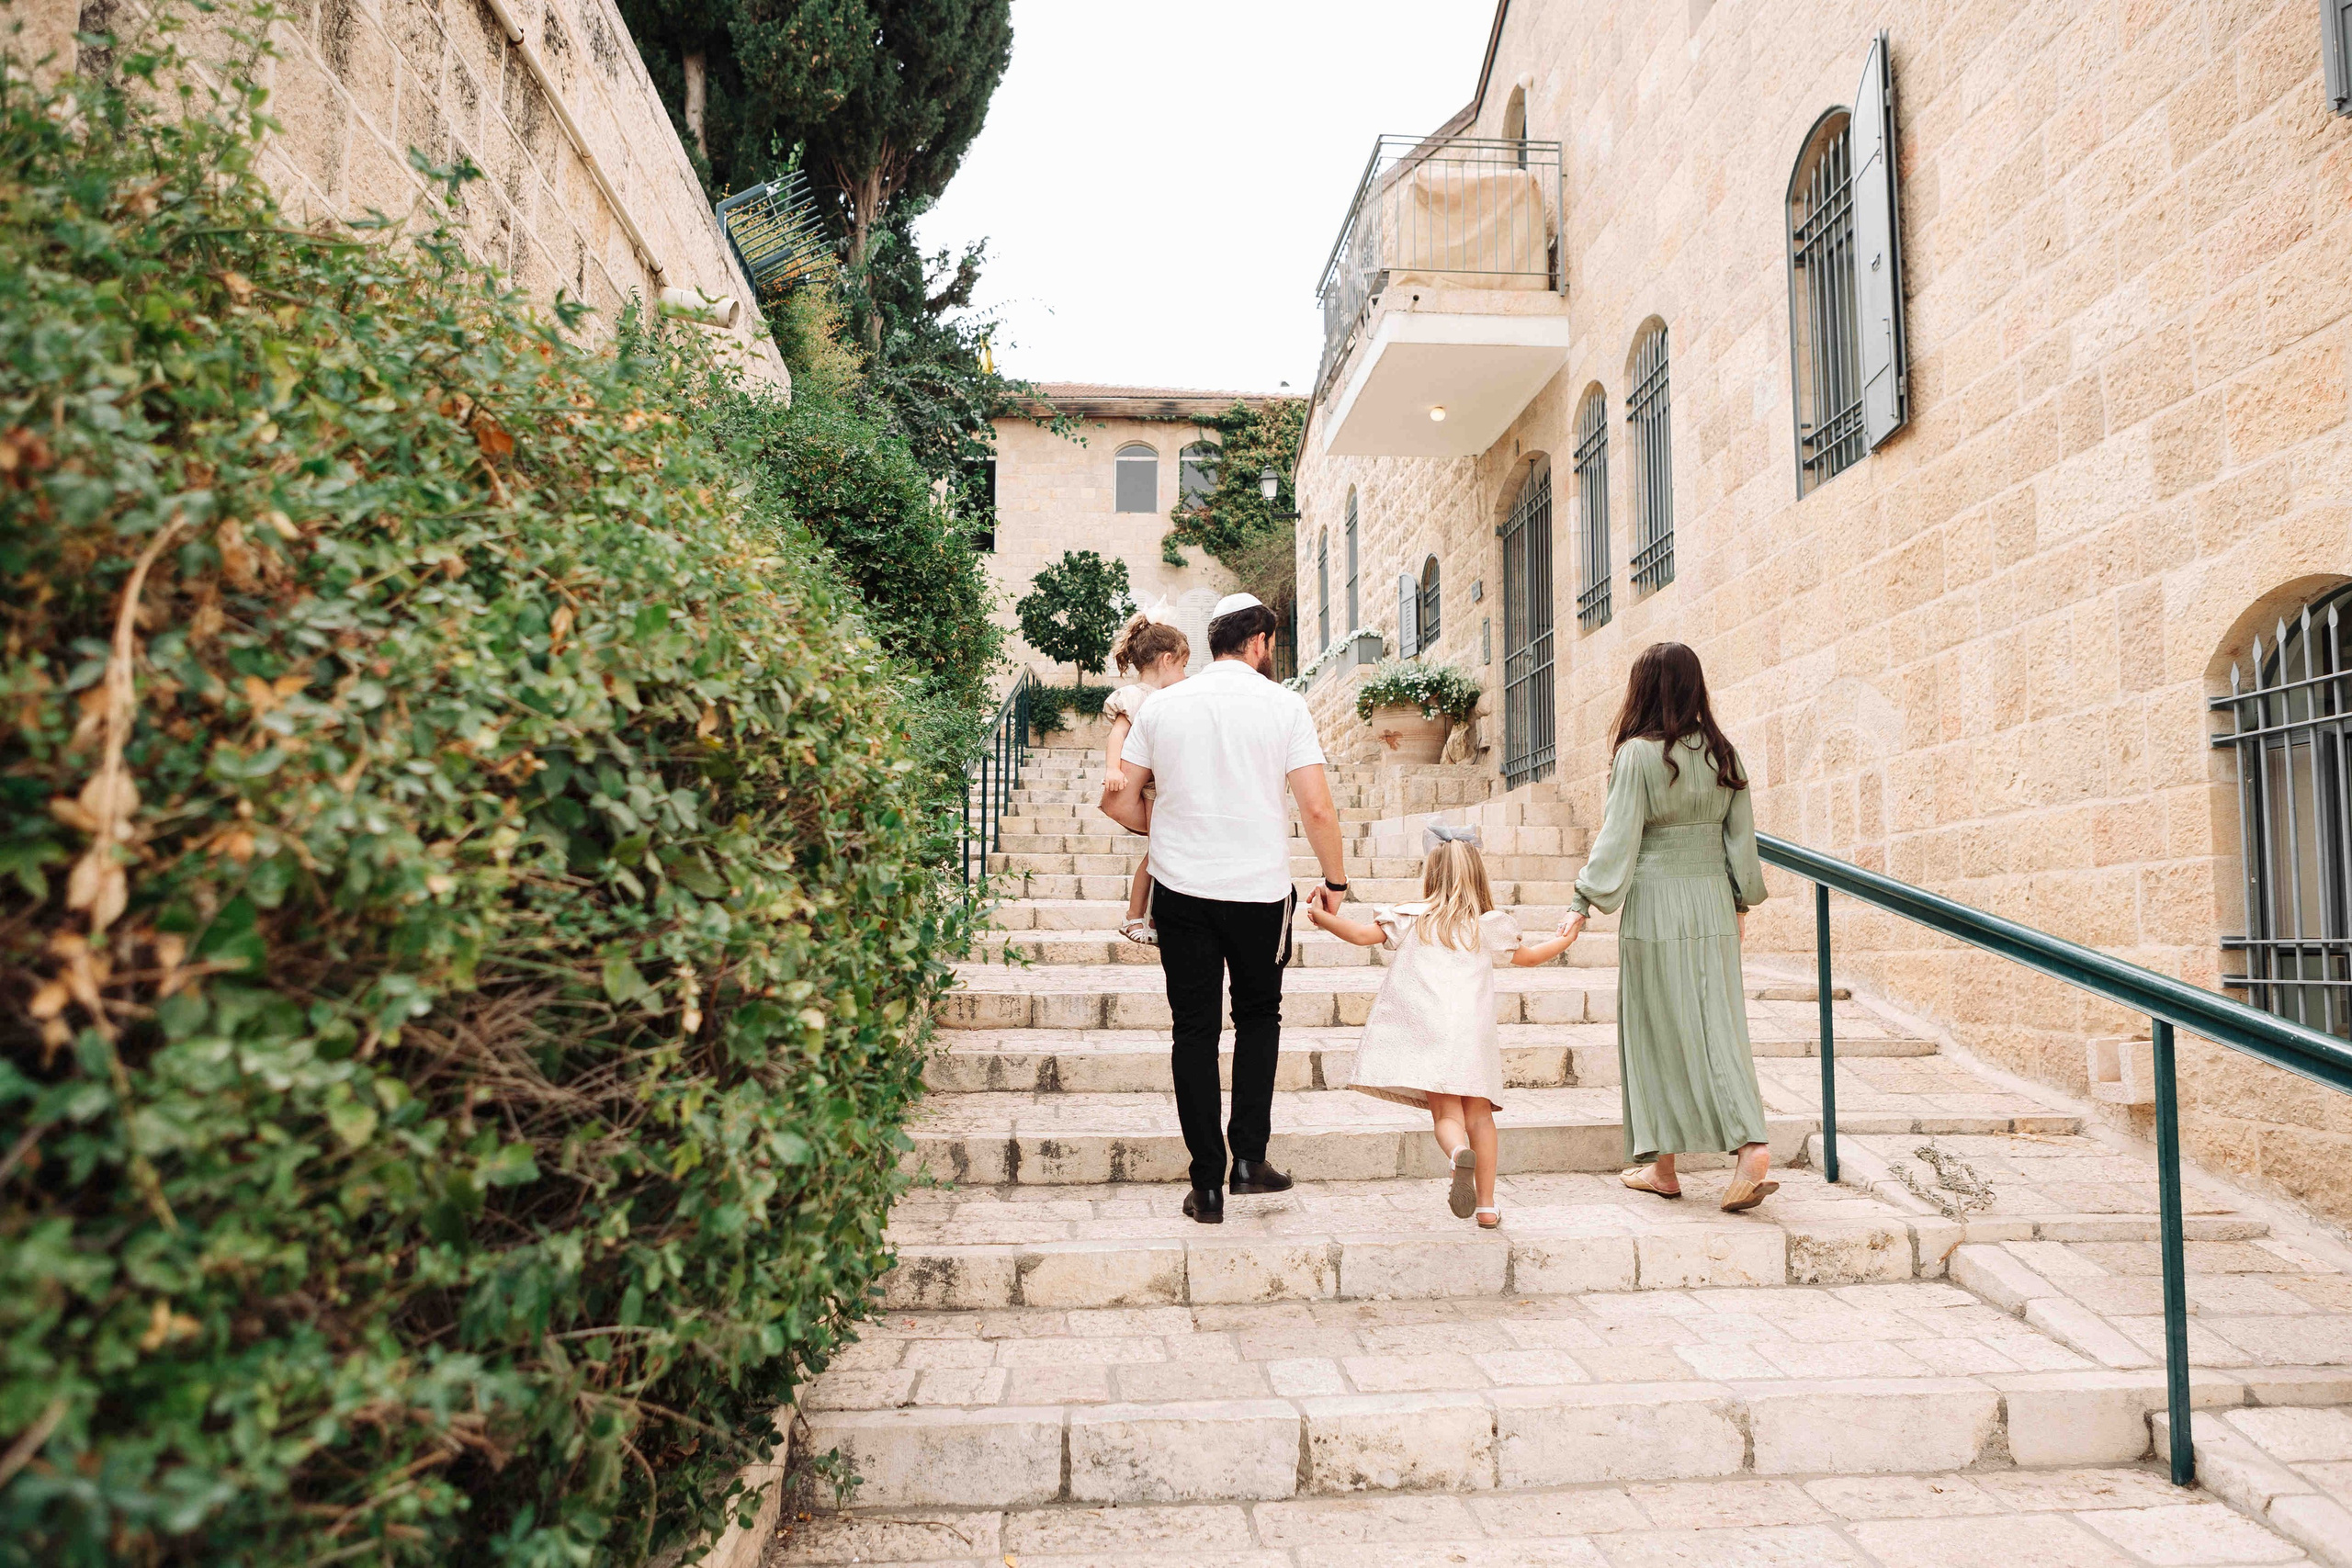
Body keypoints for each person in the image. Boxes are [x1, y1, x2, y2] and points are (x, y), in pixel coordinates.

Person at [1102, 592, 1351, 1224]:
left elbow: (1119, 800)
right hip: (1259, 892)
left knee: (1194, 1029)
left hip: (1181, 889)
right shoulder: (1284, 704)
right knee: (1258, 1017)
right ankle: (1250, 1160)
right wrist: (1336, 881)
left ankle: (1206, 1185)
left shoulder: (1165, 706)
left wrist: (1163, 834)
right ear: (1261, 641)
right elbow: (1318, 808)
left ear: (1213, 643)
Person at [1561, 641, 1775, 1212]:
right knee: (1719, 1025)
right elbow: (1742, 844)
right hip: (1710, 900)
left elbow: (1617, 839)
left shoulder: (1635, 756)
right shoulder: (1725, 754)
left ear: (1644, 690)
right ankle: (1703, 1158)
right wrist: (1741, 903)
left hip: (1655, 901)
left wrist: (1582, 900)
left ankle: (1696, 1160)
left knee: (1654, 1027)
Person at [1307, 826, 1580, 1229]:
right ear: (1478, 875)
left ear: (1431, 875)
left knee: (1446, 1115)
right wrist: (1565, 939)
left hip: (1429, 1031)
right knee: (1481, 1117)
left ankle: (1456, 1157)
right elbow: (1530, 956)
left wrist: (1322, 916)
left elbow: (1362, 936)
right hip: (1472, 1036)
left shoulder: (1412, 917)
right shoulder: (1490, 925)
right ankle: (1486, 1206)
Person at [1099, 612, 1191, 946]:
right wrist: (1112, 769)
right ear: (1167, 660)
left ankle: (1153, 915)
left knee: (1163, 851)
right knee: (1157, 853)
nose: (1185, 675)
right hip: (1148, 787)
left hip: (1164, 785)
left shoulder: (1170, 699)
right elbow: (1118, 734)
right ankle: (1133, 916)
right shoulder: (1138, 696)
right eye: (1182, 666)